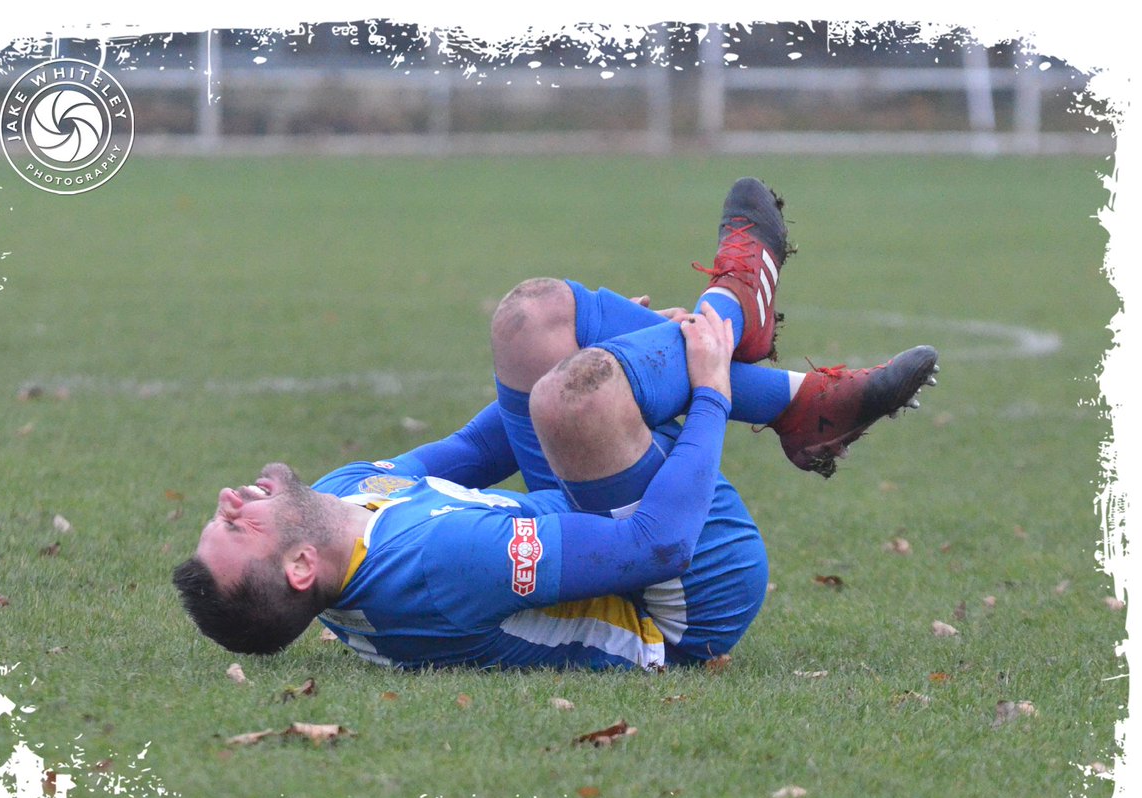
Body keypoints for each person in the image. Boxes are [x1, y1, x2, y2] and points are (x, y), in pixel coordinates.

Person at [172, 178, 939, 670]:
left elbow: (482, 445)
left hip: (607, 529)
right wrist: (702, 391)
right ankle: (738, 306)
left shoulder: (343, 502)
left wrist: (610, 357)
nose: (228, 502)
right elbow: (657, 543)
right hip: (687, 595)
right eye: (237, 529)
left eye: (221, 517)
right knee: (575, 399)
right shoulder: (443, 568)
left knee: (529, 319)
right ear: (301, 567)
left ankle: (803, 402)